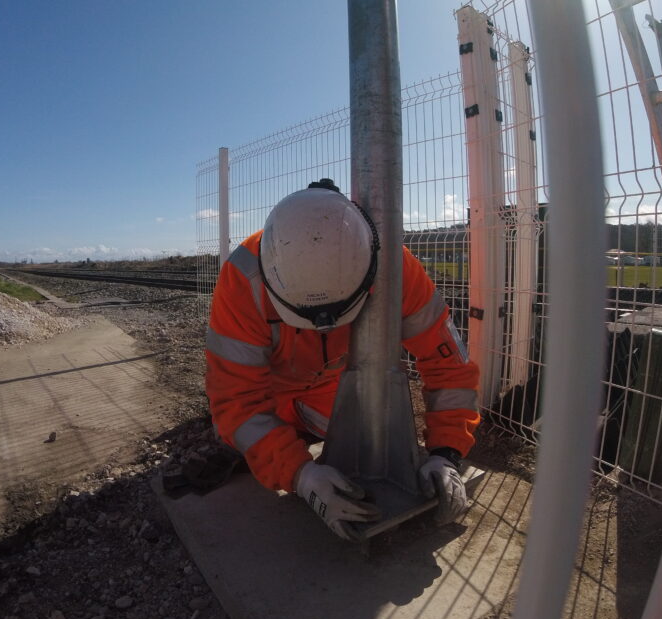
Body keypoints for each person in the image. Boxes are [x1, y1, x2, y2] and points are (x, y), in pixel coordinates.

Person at [204, 179, 481, 540]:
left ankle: (296, 435)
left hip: (331, 388)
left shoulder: (397, 269)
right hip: (271, 391)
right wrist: (299, 475)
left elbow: (449, 367)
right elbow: (237, 399)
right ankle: (285, 440)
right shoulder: (243, 281)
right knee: (237, 433)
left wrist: (447, 452)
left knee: (367, 441)